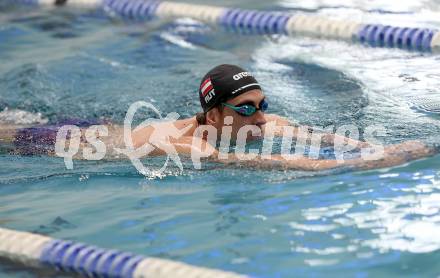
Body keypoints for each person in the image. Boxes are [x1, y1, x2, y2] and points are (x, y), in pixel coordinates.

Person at [0, 64, 437, 172]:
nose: (260, 117)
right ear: (214, 114)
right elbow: (268, 164)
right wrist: (376, 164)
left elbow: (325, 138)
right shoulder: (189, 143)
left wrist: (372, 149)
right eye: (246, 108)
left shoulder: (267, 121)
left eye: (261, 105)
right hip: (72, 141)